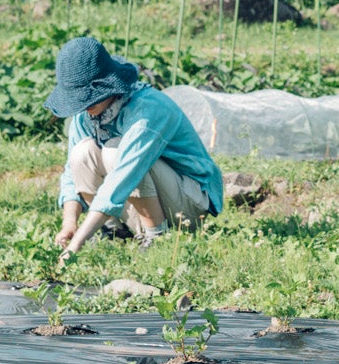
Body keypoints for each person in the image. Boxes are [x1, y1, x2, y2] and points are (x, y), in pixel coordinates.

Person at [48, 36, 222, 257]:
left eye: (90, 99)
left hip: (187, 205)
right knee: (82, 153)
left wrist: (78, 243)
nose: (85, 106)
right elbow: (71, 174)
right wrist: (70, 223)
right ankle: (113, 230)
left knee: (113, 152)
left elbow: (125, 175)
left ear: (108, 86)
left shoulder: (147, 110)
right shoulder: (85, 117)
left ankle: (156, 236)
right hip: (144, 195)